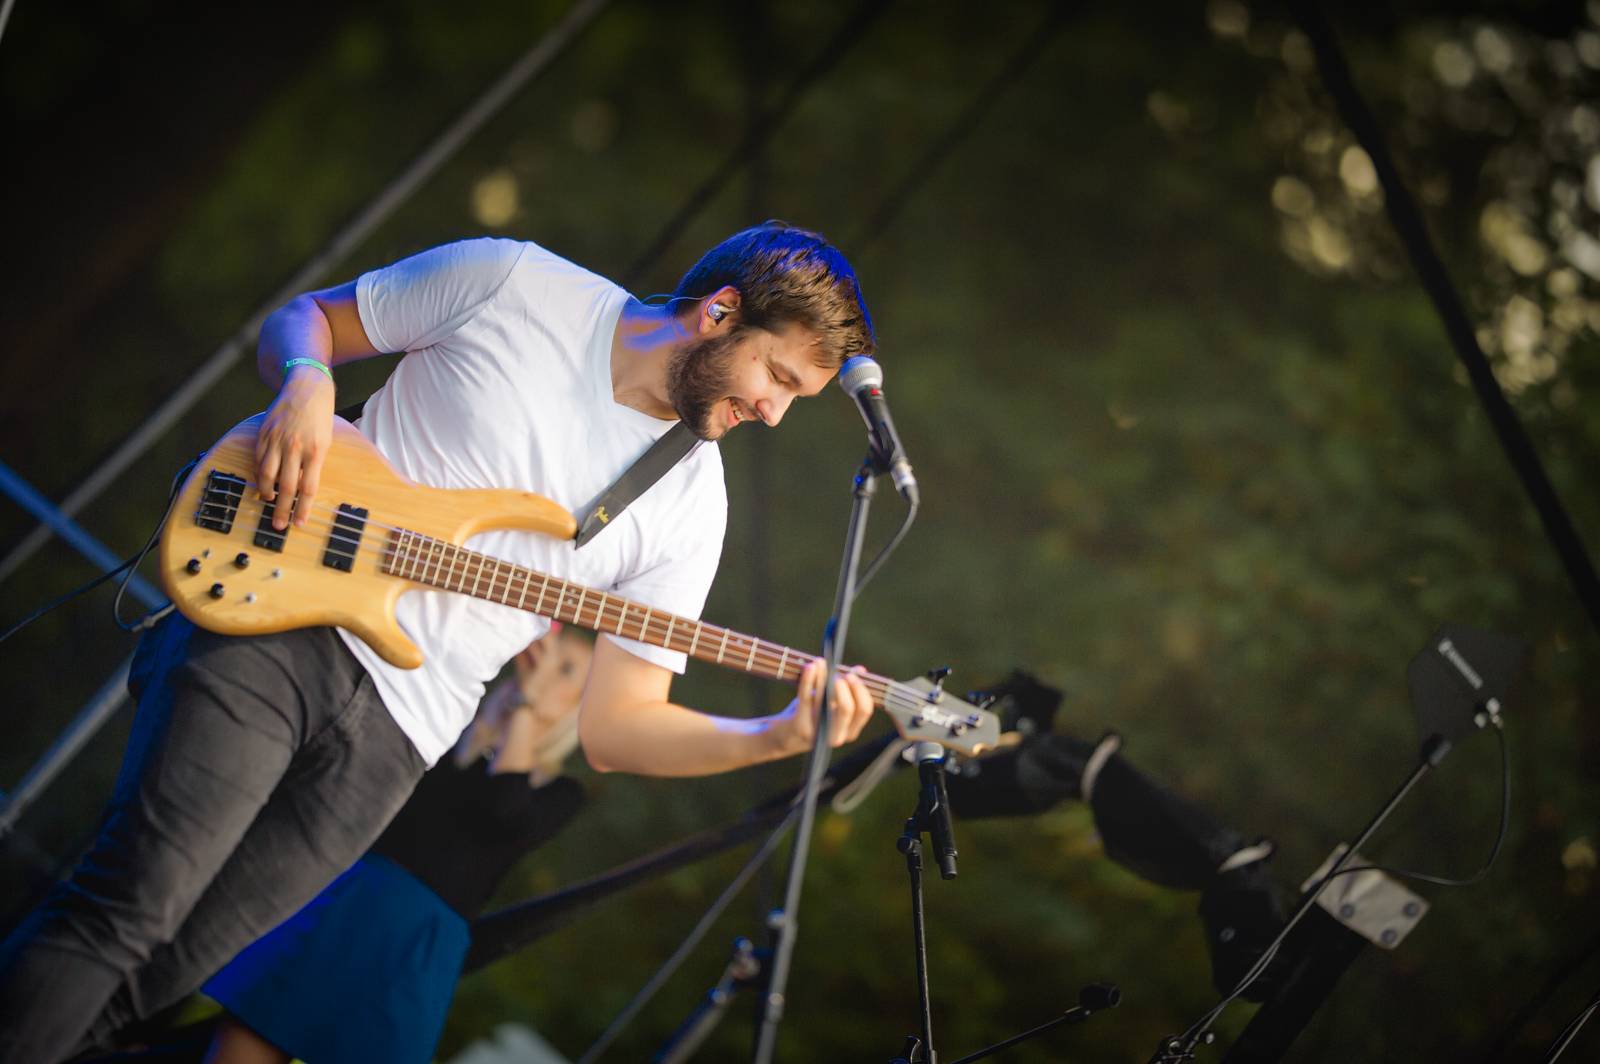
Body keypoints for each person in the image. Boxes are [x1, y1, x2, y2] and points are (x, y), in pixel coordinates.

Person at [0, 222, 879, 1063]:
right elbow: (306, 320)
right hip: (283, 620)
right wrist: (306, 382)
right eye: (778, 377)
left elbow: (617, 727)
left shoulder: (694, 504)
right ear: (719, 312)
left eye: (793, 398)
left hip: (397, 743)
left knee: (160, 980)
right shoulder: (514, 283)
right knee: (129, 909)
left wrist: (780, 737)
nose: (771, 412)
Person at [202, 625, 593, 1064]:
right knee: (246, 1044)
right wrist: (499, 717)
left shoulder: (562, 792)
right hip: (347, 902)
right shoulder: (451, 731)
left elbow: (504, 809)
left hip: (415, 947)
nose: (545, 672)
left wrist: (526, 705)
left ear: (580, 707)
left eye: (566, 670)